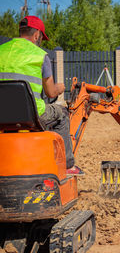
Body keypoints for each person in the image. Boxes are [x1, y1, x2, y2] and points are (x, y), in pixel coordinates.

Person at [0, 15, 83, 176]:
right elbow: (50, 92)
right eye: (41, 38)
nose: (41, 41)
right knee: (62, 115)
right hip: (30, 116)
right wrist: (60, 88)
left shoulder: (1, 50)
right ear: (37, 34)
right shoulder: (40, 55)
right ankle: (68, 166)